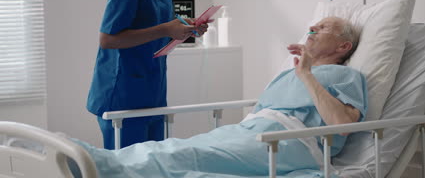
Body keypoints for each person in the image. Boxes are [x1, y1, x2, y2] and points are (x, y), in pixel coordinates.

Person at [76, 16, 367, 177]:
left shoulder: (346, 77)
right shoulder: (290, 72)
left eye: (323, 27)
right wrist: (300, 70)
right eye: (313, 25)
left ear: (343, 46)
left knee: (183, 156)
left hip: (288, 143)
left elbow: (342, 123)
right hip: (251, 132)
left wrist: (306, 73)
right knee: (175, 150)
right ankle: (90, 160)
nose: (312, 28)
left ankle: (91, 165)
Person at [86, 0, 208, 150]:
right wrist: (166, 28)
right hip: (123, 95)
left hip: (151, 89)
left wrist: (183, 25)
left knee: (153, 166)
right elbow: (108, 39)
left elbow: (151, 18)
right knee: (129, 170)